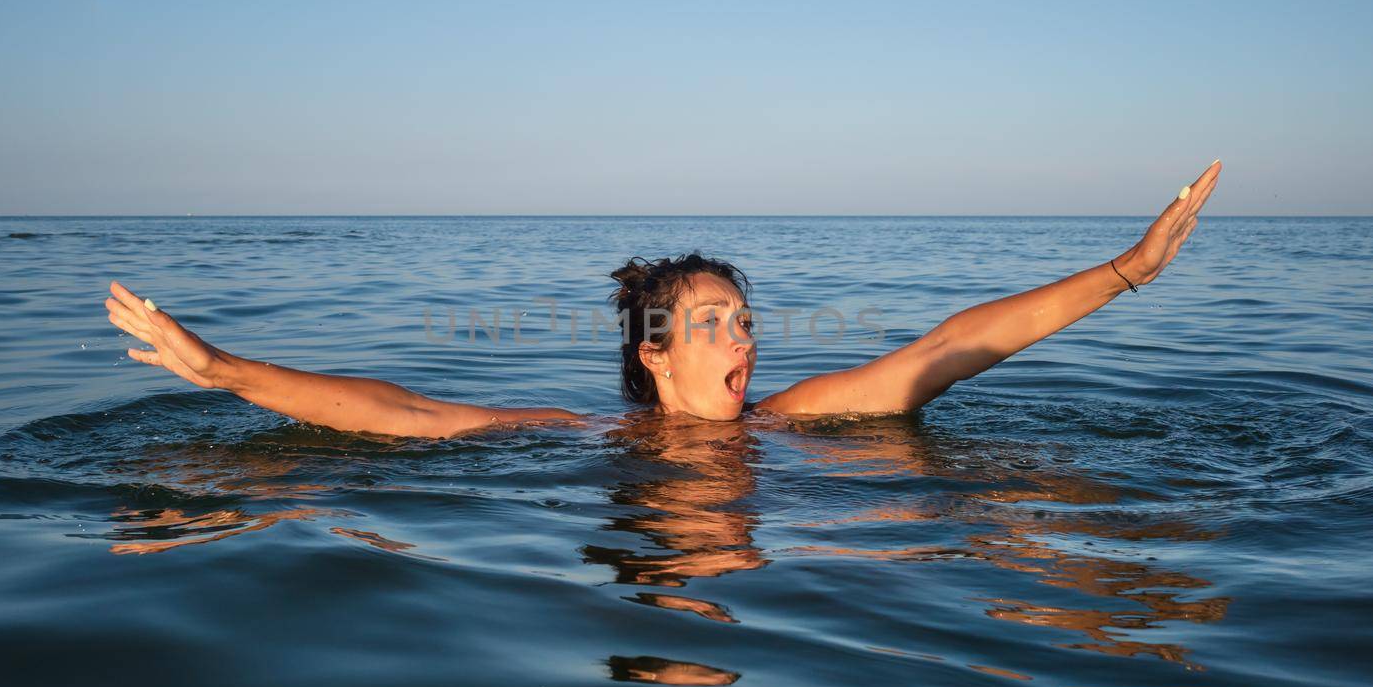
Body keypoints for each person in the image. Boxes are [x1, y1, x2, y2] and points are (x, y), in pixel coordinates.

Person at [104, 161, 1221, 439]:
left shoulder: (796, 424)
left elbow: (948, 347)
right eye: (708, 324)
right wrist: (223, 370)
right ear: (653, 357)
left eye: (741, 320)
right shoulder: (590, 442)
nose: (738, 338)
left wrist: (1128, 267)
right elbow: (408, 414)